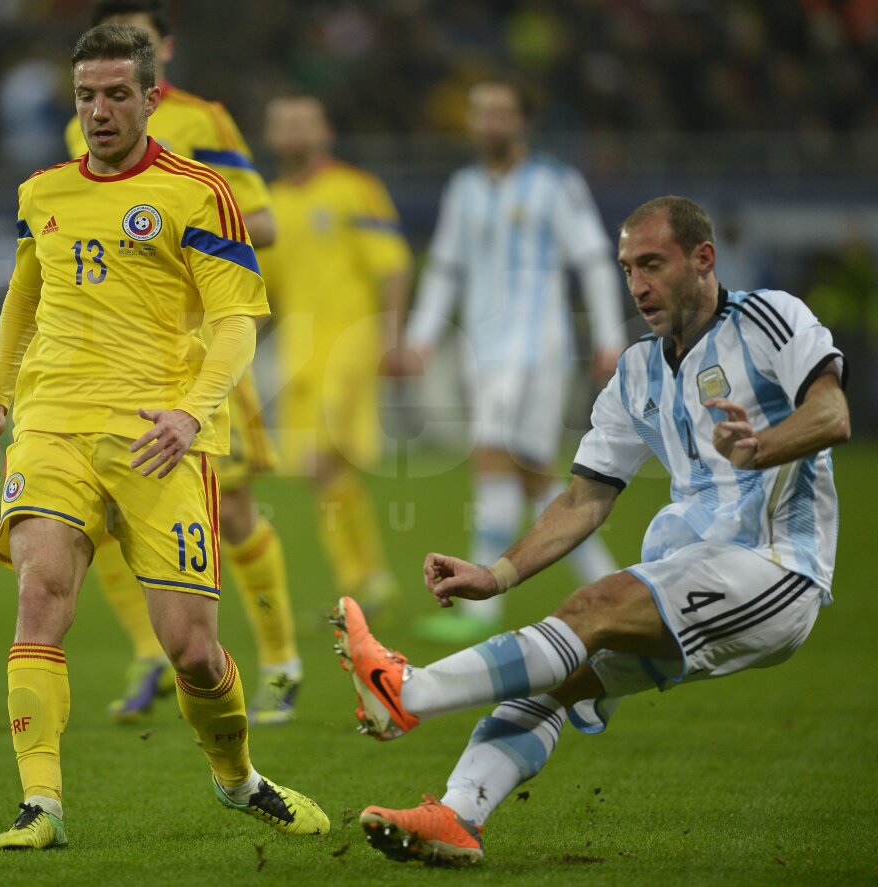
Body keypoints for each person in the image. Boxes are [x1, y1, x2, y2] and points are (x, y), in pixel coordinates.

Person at [332, 196, 849, 866]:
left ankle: (408, 691)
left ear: (703, 259)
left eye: (653, 264)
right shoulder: (637, 370)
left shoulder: (768, 318)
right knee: (556, 673)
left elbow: (832, 412)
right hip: (698, 563)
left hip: (777, 564)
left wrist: (763, 446)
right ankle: (458, 816)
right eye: (628, 267)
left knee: (594, 605)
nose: (637, 284)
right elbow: (583, 497)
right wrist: (498, 573)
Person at [0, 23, 328, 850]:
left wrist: (191, 410)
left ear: (151, 97)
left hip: (158, 435)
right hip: (53, 420)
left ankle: (238, 778)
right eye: (86, 95)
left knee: (191, 650)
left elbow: (237, 321)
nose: (99, 111)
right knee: (39, 597)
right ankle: (41, 804)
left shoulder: (198, 192)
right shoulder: (43, 192)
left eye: (116, 94)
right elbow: (24, 298)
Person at [65, 0, 301, 725]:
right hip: (106, 356)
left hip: (195, 348)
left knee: (230, 510)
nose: (102, 104)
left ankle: (282, 662)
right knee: (93, 509)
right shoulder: (82, 128)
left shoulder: (204, 122)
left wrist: (183, 204)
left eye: (143, 41)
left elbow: (262, 220)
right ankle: (147, 651)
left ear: (164, 51)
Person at [395, 75, 627, 643]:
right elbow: (446, 267)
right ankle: (611, 581)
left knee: (493, 453)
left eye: (499, 113)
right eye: (480, 113)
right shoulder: (465, 187)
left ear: (521, 121)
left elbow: (595, 260)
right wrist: (421, 335)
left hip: (536, 347)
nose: (488, 123)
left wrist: (608, 334)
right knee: (526, 473)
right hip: (484, 348)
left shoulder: (555, 183)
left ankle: (480, 606)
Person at [260, 95, 413, 613]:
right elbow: (264, 287)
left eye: (304, 120)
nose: (294, 131)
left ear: (325, 130)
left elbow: (392, 267)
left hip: (351, 345)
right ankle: (364, 579)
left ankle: (365, 577)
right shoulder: (272, 202)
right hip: (298, 355)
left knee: (322, 459)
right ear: (271, 135)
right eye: (284, 123)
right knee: (316, 470)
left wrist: (392, 339)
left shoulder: (355, 189)